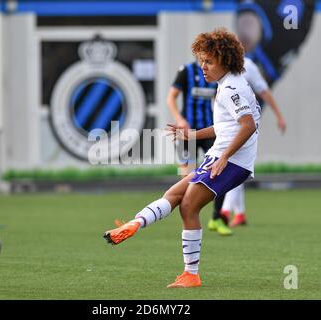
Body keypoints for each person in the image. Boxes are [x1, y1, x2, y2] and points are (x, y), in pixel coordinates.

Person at [104, 28, 261, 288]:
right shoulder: (228, 83)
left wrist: (225, 157)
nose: (203, 67)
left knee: (189, 205)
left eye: (209, 61)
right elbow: (229, 126)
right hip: (221, 156)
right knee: (175, 194)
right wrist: (194, 135)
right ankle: (133, 225)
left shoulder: (232, 87)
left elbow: (247, 126)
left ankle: (191, 274)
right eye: (201, 61)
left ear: (225, 60)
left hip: (232, 162)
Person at [213, 56, 287, 228]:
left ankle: (225, 211)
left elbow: (264, 90)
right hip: (223, 125)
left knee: (234, 165)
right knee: (233, 166)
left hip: (243, 125)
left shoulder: (248, 66)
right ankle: (239, 213)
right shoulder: (216, 67)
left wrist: (279, 116)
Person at [166, 61, 232, 236]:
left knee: (220, 171)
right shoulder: (185, 71)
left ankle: (217, 217)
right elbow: (171, 97)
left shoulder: (217, 73)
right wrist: (179, 119)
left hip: (210, 131)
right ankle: (188, 217)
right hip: (185, 133)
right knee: (186, 176)